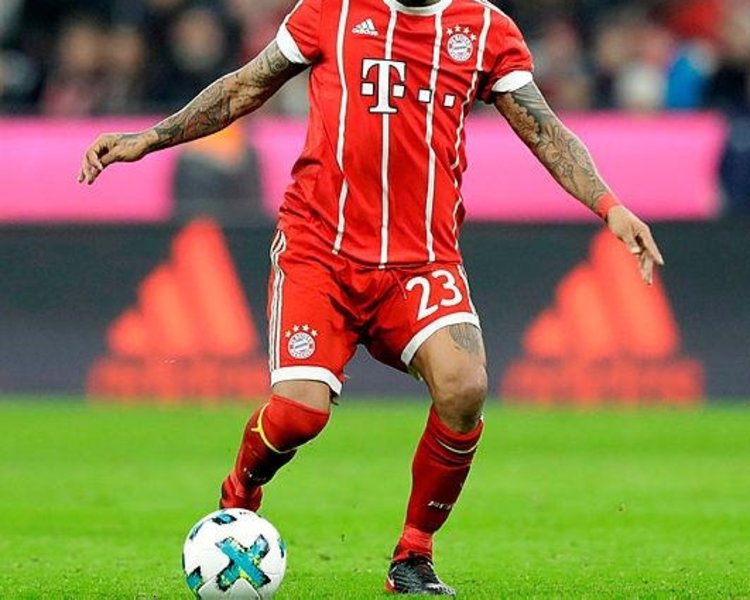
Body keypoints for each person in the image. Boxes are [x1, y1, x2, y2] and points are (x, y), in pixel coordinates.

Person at [78, 0, 664, 595]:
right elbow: (244, 87)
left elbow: (544, 130)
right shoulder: (330, 11)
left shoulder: (483, 28)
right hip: (320, 252)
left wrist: (610, 206)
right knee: (299, 415)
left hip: (422, 260)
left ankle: (413, 555)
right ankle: (239, 494)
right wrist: (148, 139)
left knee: (464, 386)